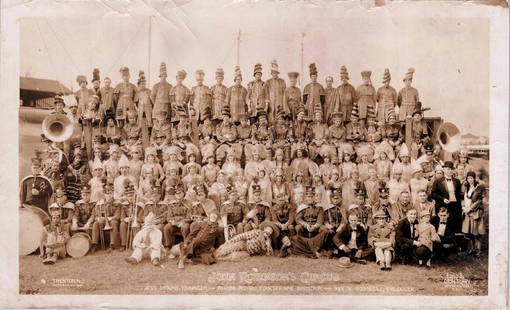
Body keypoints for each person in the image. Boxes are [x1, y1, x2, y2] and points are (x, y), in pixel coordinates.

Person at [290, 186, 328, 258]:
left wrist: (315, 226)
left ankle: (319, 248)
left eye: (312, 196)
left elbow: (320, 220)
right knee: (298, 228)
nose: (310, 198)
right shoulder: (302, 206)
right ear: (306, 197)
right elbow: (298, 219)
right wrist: (305, 225)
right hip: (305, 226)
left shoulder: (319, 207)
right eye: (309, 196)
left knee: (325, 230)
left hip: (316, 226)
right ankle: (302, 248)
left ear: (314, 197)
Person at [431, 161, 462, 232]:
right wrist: (443, 199)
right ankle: (441, 241)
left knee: (453, 225)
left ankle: (452, 241)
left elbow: (458, 195)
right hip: (443, 207)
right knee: (442, 226)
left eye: (451, 169)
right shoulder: (438, 181)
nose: (449, 171)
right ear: (444, 170)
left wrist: (459, 208)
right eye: (447, 169)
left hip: (454, 207)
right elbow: (433, 194)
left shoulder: (457, 181)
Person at [461, 172, 486, 256]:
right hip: (467, 212)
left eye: (471, 178)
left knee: (476, 233)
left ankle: (478, 251)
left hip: (475, 213)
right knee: (469, 233)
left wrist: (470, 209)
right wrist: (464, 207)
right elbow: (464, 199)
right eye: (468, 178)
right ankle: (472, 248)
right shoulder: (466, 187)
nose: (470, 180)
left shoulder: (479, 188)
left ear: (474, 178)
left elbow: (479, 201)